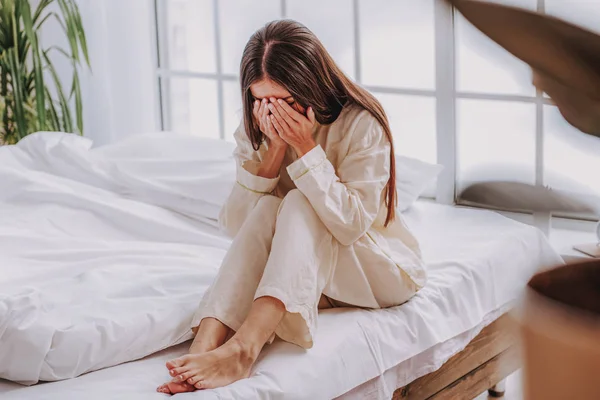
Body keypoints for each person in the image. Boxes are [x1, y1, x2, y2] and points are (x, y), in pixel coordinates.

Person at [157, 19, 426, 395]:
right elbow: (237, 225)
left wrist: (304, 147)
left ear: (311, 86)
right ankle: (206, 342)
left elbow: (351, 225)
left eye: (284, 101)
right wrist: (274, 151)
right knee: (270, 208)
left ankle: (243, 349)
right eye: (261, 99)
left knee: (298, 199)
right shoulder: (257, 124)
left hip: (374, 269)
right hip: (312, 270)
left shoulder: (361, 123)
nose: (273, 111)